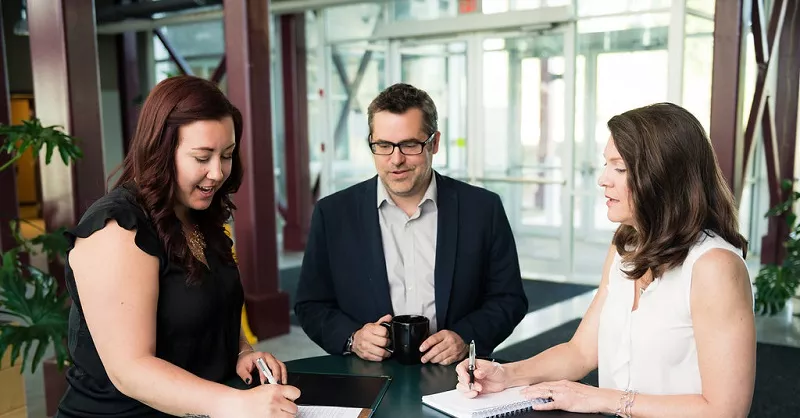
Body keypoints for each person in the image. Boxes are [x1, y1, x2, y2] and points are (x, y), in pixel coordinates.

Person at [456, 103, 756, 417]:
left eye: (619, 168)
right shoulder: (626, 245)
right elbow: (581, 352)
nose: (603, 179)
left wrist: (602, 399)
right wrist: (506, 375)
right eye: (605, 164)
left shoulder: (715, 267)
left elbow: (726, 411)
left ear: (663, 175)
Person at [57, 76, 300, 417]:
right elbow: (131, 370)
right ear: (159, 150)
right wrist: (237, 403)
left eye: (226, 155)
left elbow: (210, 311)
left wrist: (242, 351)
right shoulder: (116, 227)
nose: (217, 173)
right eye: (202, 157)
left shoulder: (198, 212)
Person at [294, 83, 528, 365]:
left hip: (457, 375)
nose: (396, 160)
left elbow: (509, 299)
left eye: (409, 145)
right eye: (383, 145)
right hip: (367, 375)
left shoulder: (482, 209)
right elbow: (311, 304)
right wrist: (353, 338)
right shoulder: (333, 213)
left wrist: (466, 337)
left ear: (434, 143)